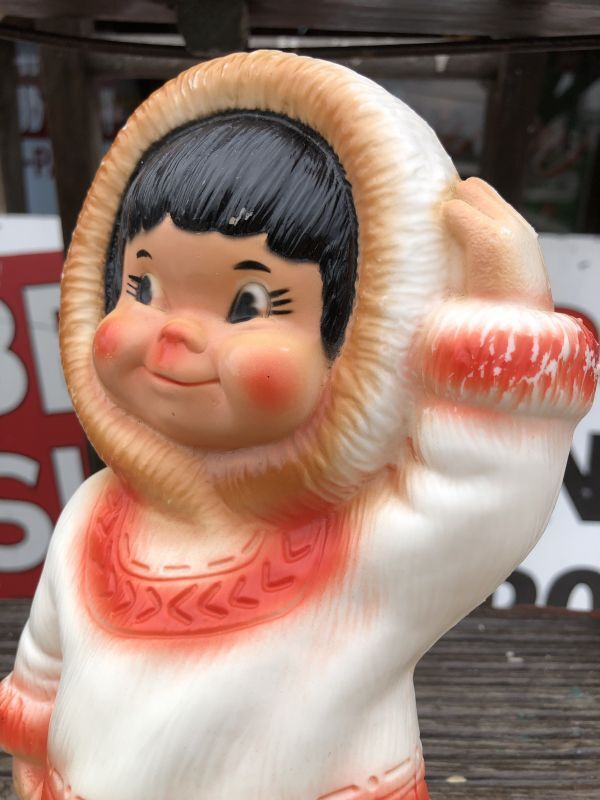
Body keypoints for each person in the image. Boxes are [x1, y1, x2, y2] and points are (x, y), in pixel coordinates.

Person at [0, 51, 596, 800]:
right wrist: (33, 753)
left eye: (248, 304)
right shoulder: (94, 520)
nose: (174, 335)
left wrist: (505, 326)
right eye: (142, 286)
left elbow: (486, 499)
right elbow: (46, 659)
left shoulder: (364, 549)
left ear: (351, 341)